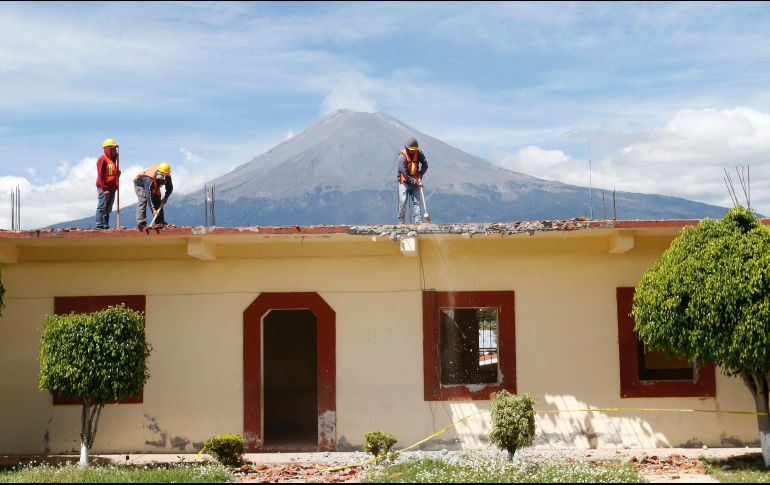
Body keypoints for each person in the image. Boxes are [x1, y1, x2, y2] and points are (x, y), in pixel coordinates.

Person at [397, 136, 428, 224]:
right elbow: (405, 174)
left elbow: (425, 165)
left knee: (417, 202)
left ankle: (418, 220)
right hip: (404, 183)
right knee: (403, 202)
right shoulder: (402, 157)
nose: (413, 151)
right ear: (407, 148)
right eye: (411, 149)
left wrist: (420, 174)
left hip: (415, 181)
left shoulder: (418, 153)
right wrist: (416, 182)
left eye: (414, 149)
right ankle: (401, 222)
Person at [134, 162, 173, 230]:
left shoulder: (167, 176)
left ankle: (159, 222)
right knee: (143, 200)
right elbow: (148, 195)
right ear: (158, 172)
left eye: (165, 175)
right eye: (162, 175)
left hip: (155, 185)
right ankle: (141, 223)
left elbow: (170, 188)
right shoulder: (149, 179)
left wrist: (166, 197)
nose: (163, 177)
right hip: (140, 184)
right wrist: (153, 209)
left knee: (158, 201)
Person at [95, 138, 121, 229]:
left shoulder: (113, 160)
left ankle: (105, 224)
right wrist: (104, 188)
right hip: (104, 187)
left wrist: (117, 174)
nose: (115, 151)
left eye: (115, 149)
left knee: (108, 207)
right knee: (102, 206)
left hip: (112, 187)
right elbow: (100, 175)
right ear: (108, 149)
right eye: (113, 149)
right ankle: (99, 224)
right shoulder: (102, 159)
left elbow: (112, 173)